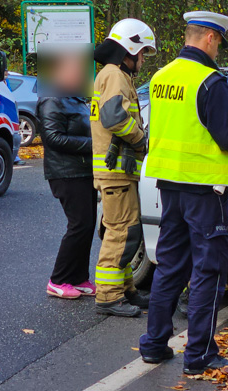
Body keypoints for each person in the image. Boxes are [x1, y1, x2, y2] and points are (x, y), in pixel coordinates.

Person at [138, 11, 228, 375]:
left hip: (169, 185)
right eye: (220, 44)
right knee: (209, 271)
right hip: (205, 191)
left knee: (169, 267)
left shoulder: (160, 76)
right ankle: (199, 356)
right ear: (211, 38)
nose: (219, 52)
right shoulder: (210, 81)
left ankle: (153, 344)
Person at [90, 19, 155, 317]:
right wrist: (142, 140)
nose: (143, 59)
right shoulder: (114, 75)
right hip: (115, 170)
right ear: (129, 48)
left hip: (118, 170)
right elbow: (115, 118)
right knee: (121, 232)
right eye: (142, 52)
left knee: (125, 230)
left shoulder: (114, 75)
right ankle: (108, 296)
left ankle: (125, 288)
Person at [37, 52, 98, 299]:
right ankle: (58, 279)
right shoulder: (52, 99)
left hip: (83, 170)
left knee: (88, 225)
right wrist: (94, 145)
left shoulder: (75, 98)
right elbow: (52, 138)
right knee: (79, 225)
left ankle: (79, 277)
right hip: (65, 172)